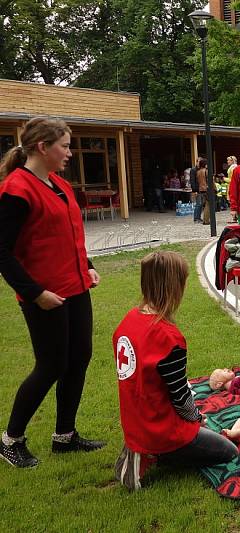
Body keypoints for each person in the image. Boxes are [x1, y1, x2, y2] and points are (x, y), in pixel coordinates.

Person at [0, 117, 104, 468]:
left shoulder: (59, 184)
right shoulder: (17, 189)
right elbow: (2, 251)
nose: (70, 153)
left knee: (79, 358)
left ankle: (65, 435)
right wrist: (34, 293)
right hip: (45, 295)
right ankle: (11, 439)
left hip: (76, 287)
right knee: (50, 366)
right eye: (64, 145)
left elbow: (69, 231)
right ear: (43, 147)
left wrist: (87, 263)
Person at [113, 251, 238, 490]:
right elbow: (181, 400)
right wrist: (198, 419)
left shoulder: (128, 321)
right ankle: (158, 453)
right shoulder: (168, 337)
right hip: (160, 429)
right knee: (228, 451)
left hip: (134, 422)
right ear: (174, 286)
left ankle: (144, 448)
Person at [192, 158, 208, 224]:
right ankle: (197, 218)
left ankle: (197, 218)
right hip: (202, 189)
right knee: (201, 204)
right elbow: (193, 181)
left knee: (200, 204)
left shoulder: (198, 171)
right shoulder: (195, 170)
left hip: (200, 189)